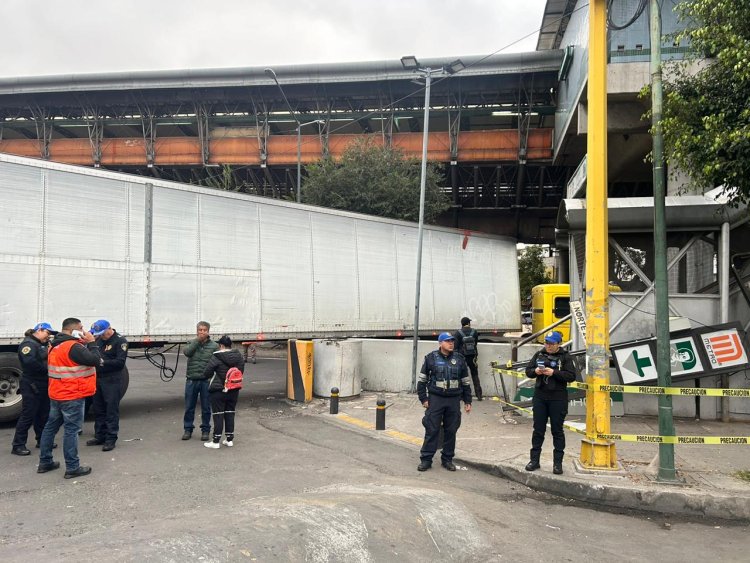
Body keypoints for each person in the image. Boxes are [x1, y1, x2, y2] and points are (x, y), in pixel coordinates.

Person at [37, 317, 101, 479]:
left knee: (50, 427)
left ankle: (45, 462)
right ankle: (72, 467)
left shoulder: (55, 346)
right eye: (81, 328)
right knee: (71, 431)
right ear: (73, 330)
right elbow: (94, 360)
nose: (84, 331)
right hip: (72, 395)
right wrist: (92, 342)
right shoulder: (73, 347)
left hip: (56, 393)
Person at [524, 330, 578, 475]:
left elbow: (571, 376)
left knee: (557, 431)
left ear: (558, 344)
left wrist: (554, 373)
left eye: (551, 343)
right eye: (546, 342)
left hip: (558, 398)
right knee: (538, 430)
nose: (548, 346)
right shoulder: (539, 354)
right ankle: (534, 461)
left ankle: (557, 464)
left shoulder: (565, 357)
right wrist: (536, 371)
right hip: (540, 397)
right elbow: (528, 371)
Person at [417, 333, 473, 472]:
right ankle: (426, 459)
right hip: (436, 398)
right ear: (440, 343)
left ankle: (447, 459)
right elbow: (422, 381)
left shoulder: (459, 359)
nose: (451, 343)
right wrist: (424, 398)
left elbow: (465, 382)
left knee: (451, 430)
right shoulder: (431, 358)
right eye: (447, 341)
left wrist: (468, 400)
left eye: (452, 341)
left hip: (454, 399)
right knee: (432, 429)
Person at [11, 322, 57, 456]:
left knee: (43, 413)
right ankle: (18, 445)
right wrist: (48, 369)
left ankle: (42, 440)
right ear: (40, 330)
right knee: (28, 414)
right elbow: (30, 363)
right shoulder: (28, 344)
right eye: (47, 334)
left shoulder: (40, 344)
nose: (48, 337)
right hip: (32, 383)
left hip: (42, 383)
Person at [86, 320, 128, 452]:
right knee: (98, 409)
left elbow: (120, 363)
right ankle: (100, 435)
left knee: (111, 410)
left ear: (109, 329)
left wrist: (103, 363)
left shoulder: (120, 341)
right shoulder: (98, 340)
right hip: (97, 379)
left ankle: (111, 438)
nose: (100, 336)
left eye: (102, 334)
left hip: (112, 379)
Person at [202, 335, 244, 449]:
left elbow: (207, 373)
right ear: (230, 345)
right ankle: (229, 440)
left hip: (218, 390)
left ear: (221, 345)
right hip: (234, 389)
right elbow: (241, 372)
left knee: (218, 414)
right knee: (230, 413)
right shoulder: (239, 357)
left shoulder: (216, 357)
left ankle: (216, 441)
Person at [182, 321, 218, 441]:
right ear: (197, 331)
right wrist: (197, 341)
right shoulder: (191, 342)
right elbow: (187, 353)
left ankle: (206, 430)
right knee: (189, 407)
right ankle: (188, 429)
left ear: (208, 332)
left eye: (204, 330)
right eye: (200, 330)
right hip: (191, 380)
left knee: (206, 407)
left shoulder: (214, 346)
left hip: (206, 381)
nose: (202, 332)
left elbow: (218, 362)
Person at [454, 316, 482, 400]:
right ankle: (479, 395)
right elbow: (475, 344)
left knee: (462, 376)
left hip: (462, 357)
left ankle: (462, 396)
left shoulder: (458, 333)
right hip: (473, 357)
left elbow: (455, 346)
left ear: (462, 324)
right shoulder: (474, 332)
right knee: (475, 375)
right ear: (468, 323)